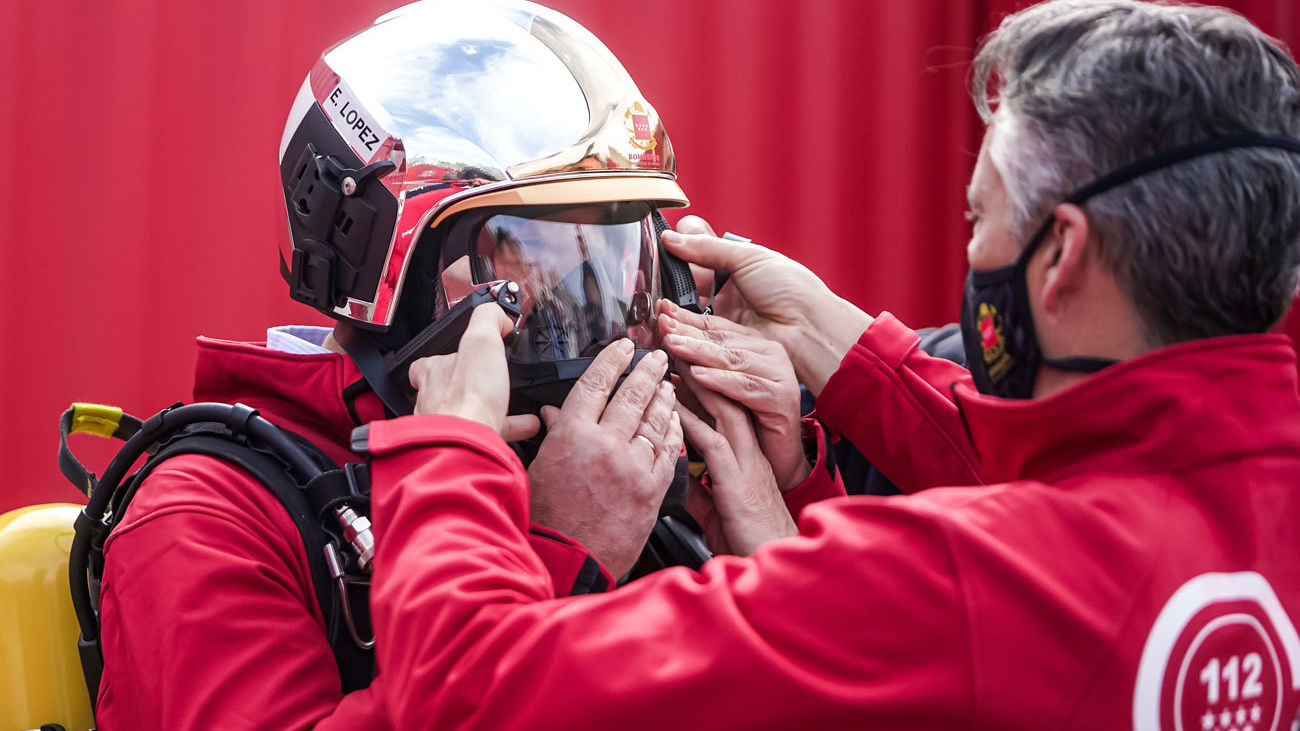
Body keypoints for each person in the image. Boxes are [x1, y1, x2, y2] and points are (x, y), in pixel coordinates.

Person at [345, 0, 1300, 727]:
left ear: (1063, 258)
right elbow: (1130, 477)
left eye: (981, 217)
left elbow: (467, 693)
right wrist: (840, 353)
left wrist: (451, 451)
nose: (972, 254)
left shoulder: (955, 583)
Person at [91, 1, 842, 727]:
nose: (601, 334)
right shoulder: (209, 516)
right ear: (378, 259)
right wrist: (559, 555)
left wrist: (783, 529)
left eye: (620, 271)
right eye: (525, 278)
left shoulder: (624, 491)